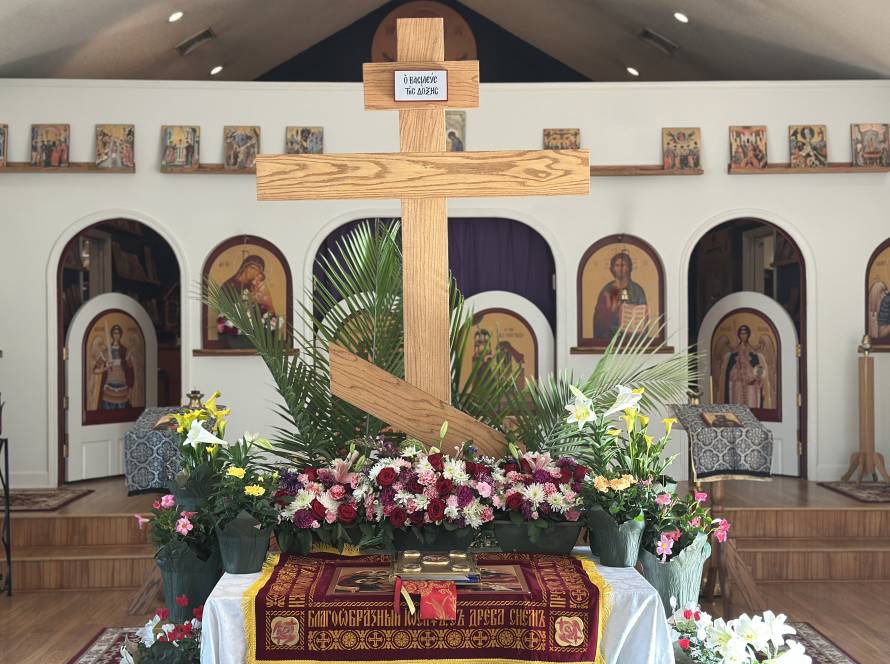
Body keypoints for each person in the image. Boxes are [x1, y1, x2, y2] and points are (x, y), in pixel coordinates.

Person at [592, 252, 648, 340]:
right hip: (610, 338)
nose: (620, 269)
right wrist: (612, 310)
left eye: (623, 265)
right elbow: (599, 320)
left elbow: (644, 317)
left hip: (631, 339)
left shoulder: (637, 290)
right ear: (612, 268)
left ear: (629, 268)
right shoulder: (607, 290)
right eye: (617, 265)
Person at [723, 325, 766, 409]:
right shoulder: (734, 353)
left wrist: (758, 378)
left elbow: (759, 367)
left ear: (748, 335)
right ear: (739, 335)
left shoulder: (753, 352)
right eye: (741, 334)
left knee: (752, 406)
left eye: (745, 334)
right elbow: (729, 373)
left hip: (751, 385)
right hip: (738, 384)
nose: (743, 336)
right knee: (737, 408)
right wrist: (736, 370)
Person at [99, 324, 135, 410]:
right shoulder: (106, 351)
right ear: (111, 334)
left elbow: (130, 371)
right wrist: (106, 367)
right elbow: (95, 370)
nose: (116, 335)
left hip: (122, 391)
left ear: (121, 335)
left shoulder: (125, 351)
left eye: (118, 333)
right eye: (114, 333)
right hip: (108, 391)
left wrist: (130, 390)